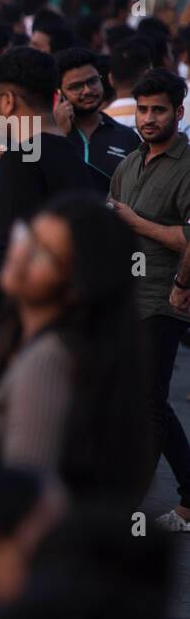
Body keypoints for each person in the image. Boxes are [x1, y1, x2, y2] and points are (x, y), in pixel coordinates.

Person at [0, 193, 147, 502]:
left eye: (42, 254)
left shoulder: (47, 359)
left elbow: (27, 492)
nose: (20, 254)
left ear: (77, 285)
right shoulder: (30, 341)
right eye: (26, 237)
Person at [0, 48, 92, 395]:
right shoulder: (69, 152)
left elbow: (12, 251)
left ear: (9, 101)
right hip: (52, 329)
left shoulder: (22, 157)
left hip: (3, 333)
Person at [109, 69, 190, 530]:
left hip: (164, 300)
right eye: (142, 109)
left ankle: (123, 509)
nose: (148, 118)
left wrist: (138, 224)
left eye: (158, 110)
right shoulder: (130, 162)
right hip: (127, 299)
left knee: (147, 406)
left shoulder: (186, 165)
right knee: (151, 398)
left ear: (178, 113)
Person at [55, 47, 141, 192]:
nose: (88, 90)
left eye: (93, 81)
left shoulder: (126, 136)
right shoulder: (42, 137)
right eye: (76, 86)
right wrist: (59, 135)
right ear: (59, 93)